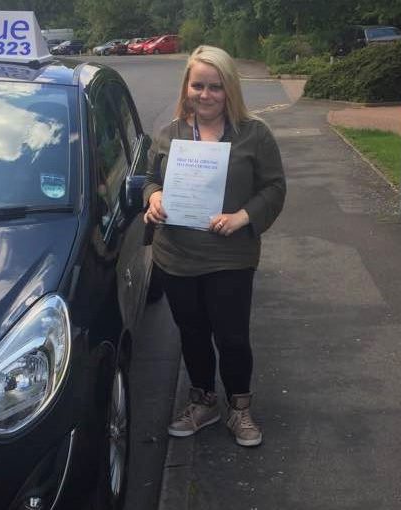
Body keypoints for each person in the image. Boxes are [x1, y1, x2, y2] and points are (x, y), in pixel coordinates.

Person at [143, 45, 286, 447]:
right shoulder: (170, 134)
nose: (205, 95)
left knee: (232, 336)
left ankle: (239, 408)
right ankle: (203, 402)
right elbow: (152, 180)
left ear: (230, 90)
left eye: (215, 87)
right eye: (198, 86)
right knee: (191, 333)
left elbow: (274, 187)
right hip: (176, 256)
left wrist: (244, 217)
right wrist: (153, 199)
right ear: (186, 87)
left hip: (230, 257)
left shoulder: (254, 134)